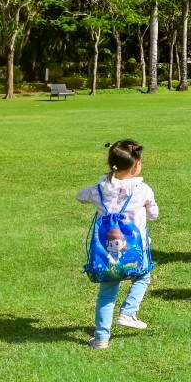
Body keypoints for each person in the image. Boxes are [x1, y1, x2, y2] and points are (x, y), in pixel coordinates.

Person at [78, 139, 160, 348]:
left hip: (107, 253)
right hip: (135, 251)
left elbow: (80, 196)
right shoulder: (142, 190)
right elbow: (154, 214)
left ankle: (101, 339)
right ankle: (128, 312)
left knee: (108, 291)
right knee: (143, 277)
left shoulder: (99, 189)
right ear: (136, 166)